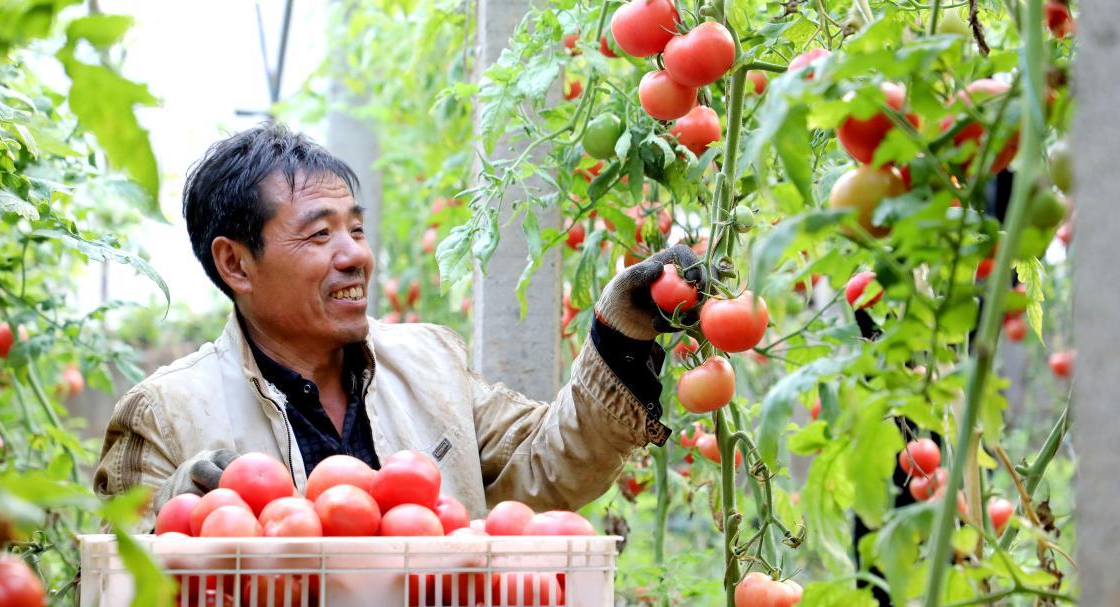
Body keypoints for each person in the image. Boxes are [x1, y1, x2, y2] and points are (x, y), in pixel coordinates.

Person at [93, 123, 705, 528]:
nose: (356, 253)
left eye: (356, 229)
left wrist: (619, 337)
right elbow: (119, 606)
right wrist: (187, 504)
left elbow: (547, 464)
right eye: (318, 233)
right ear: (236, 263)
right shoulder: (165, 415)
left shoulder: (430, 364)